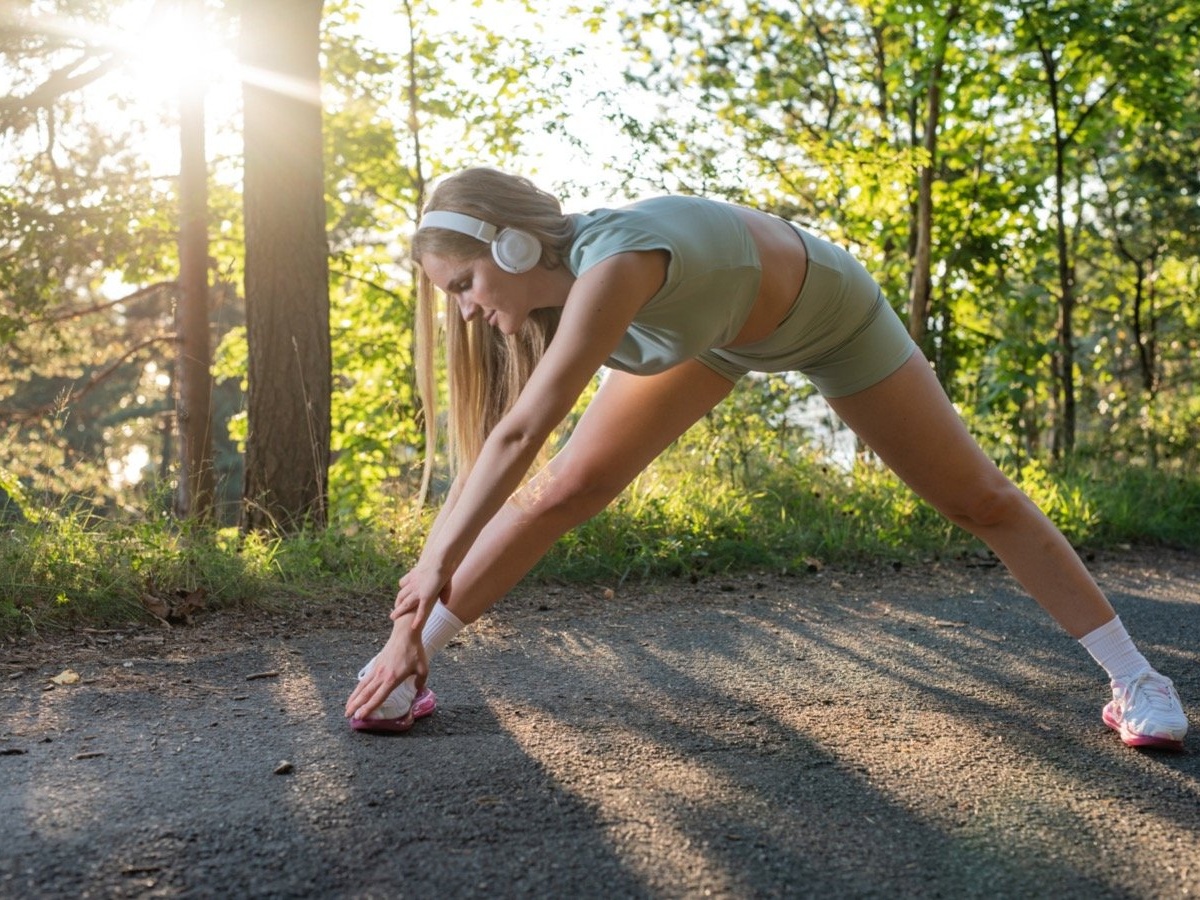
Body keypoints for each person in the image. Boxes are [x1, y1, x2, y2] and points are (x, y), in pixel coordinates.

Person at [344, 167, 1188, 750]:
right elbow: (532, 461)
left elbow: (518, 435)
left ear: (517, 248)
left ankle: (1137, 680)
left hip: (831, 317)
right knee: (570, 489)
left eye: (462, 285)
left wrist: (419, 583)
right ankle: (412, 672)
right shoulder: (572, 292)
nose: (462, 312)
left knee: (980, 500)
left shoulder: (616, 264)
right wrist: (408, 634)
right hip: (718, 339)